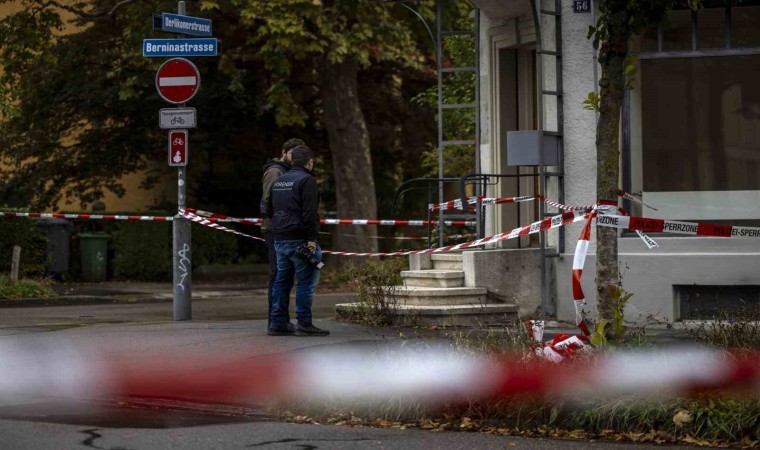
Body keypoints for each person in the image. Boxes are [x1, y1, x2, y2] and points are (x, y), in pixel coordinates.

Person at [265, 145, 329, 336]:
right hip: (299, 238)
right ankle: (304, 323)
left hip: (279, 238)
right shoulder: (307, 180)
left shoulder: (279, 180)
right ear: (310, 162)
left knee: (281, 281)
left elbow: (267, 208)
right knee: (306, 283)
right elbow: (310, 213)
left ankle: (277, 322)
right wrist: (312, 239)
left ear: (292, 160)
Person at [260, 138, 303, 330]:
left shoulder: (289, 171)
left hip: (283, 228)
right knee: (278, 274)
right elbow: (268, 202)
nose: (295, 158)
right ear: (284, 152)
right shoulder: (276, 171)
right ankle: (276, 321)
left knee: (285, 275)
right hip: (275, 229)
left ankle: (281, 319)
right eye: (292, 154)